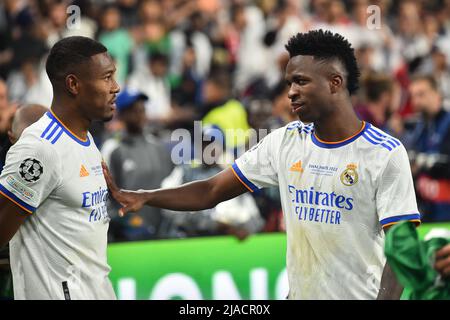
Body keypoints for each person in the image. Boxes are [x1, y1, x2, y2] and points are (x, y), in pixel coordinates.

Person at [103, 30, 421, 300]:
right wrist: (145, 196)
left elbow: (402, 252)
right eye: (288, 83)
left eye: (301, 82)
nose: (290, 93)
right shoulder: (285, 142)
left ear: (335, 83)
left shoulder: (385, 154)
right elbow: (211, 190)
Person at [0, 36, 120, 300]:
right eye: (107, 77)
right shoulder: (42, 148)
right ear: (74, 84)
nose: (116, 87)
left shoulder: (86, 141)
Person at [101, 88, 173, 241]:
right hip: (126, 236)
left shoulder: (159, 147)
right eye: (134, 110)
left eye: (142, 110)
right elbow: (103, 194)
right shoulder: (113, 149)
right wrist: (121, 221)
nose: (140, 114)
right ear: (122, 115)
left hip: (160, 232)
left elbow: (170, 186)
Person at [402, 75, 450, 222]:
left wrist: (425, 164)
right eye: (413, 96)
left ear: (437, 94)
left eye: (421, 94)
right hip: (426, 211)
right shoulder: (418, 127)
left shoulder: (447, 124)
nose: (416, 101)